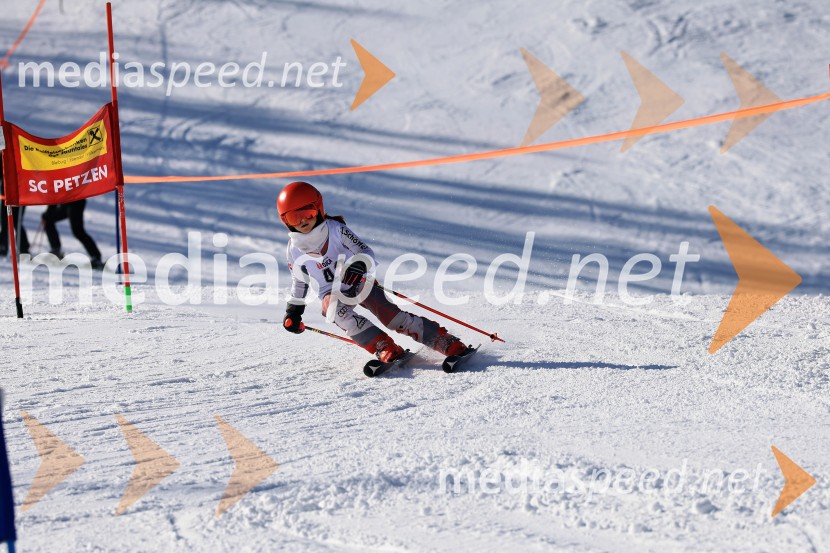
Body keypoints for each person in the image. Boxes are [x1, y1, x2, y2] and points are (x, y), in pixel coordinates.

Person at [278, 181, 468, 363]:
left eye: (308, 214)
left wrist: (358, 265)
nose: (302, 221)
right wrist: (293, 312)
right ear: (285, 221)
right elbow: (299, 282)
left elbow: (365, 251)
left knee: (393, 319)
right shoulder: (293, 250)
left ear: (318, 209)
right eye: (294, 217)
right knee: (333, 309)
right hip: (331, 293)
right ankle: (384, 347)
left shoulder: (336, 230)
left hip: (358, 282)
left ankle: (444, 341)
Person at [41, 199, 103, 269]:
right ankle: (56, 251)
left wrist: (50, 210)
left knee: (78, 231)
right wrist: (49, 211)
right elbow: (56, 193)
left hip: (76, 201)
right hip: (65, 202)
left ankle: (96, 258)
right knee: (48, 219)